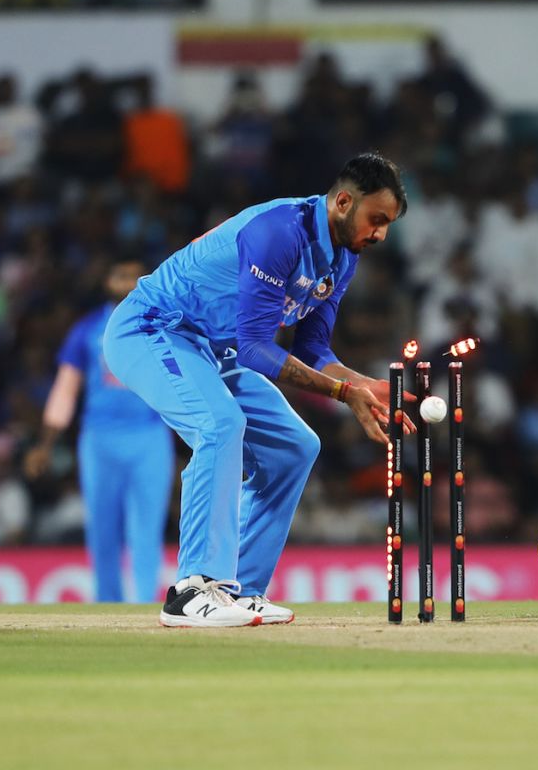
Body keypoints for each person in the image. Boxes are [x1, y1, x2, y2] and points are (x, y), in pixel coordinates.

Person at [102, 153, 408, 627]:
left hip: (212, 349)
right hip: (154, 328)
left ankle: (240, 589)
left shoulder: (342, 257)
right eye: (378, 219)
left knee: (295, 446)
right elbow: (255, 350)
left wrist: (362, 384)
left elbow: (313, 347)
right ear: (344, 201)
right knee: (220, 424)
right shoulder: (279, 232)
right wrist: (343, 393)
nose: (381, 234)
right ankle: (191, 589)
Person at [25, 257, 174, 603]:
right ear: (107, 281)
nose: (126, 282)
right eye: (119, 275)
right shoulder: (88, 329)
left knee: (146, 529)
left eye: (134, 276)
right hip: (99, 439)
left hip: (149, 437)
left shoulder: (162, 325)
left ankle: (144, 607)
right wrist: (45, 444)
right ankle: (107, 605)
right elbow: (66, 388)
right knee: (103, 529)